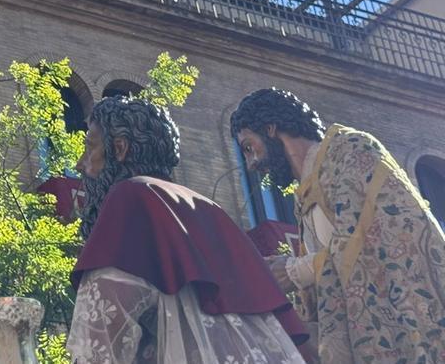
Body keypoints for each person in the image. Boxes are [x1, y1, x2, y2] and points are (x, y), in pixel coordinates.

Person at [67, 96, 307, 363]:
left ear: (119, 149)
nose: (80, 164)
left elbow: (100, 331)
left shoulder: (131, 196)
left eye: (90, 148)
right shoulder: (211, 211)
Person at [232, 88, 445, 363]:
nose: (251, 164)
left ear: (270, 129)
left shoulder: (352, 150)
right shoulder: (303, 198)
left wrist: (295, 271)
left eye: (249, 148)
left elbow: (381, 241)